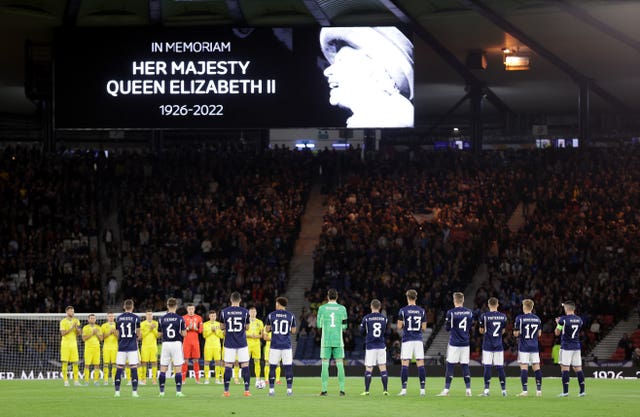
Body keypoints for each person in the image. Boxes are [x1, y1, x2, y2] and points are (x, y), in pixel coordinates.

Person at [319, 26, 414, 128]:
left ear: (375, 70)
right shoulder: (370, 118)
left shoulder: (392, 115)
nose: (327, 72)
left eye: (341, 61)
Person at [438, 292, 474, 397]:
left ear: (454, 300)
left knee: (450, 365)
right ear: (462, 300)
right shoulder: (469, 312)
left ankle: (446, 390)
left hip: (454, 343)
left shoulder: (451, 313)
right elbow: (470, 326)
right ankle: (468, 390)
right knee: (465, 365)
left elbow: (447, 328)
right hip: (465, 343)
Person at [317, 288, 348, 396]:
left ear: (328, 296)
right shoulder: (342, 309)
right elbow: (345, 326)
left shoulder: (322, 308)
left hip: (326, 341)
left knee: (325, 364)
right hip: (338, 340)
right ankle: (342, 390)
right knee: (340, 364)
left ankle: (324, 390)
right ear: (337, 296)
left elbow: (318, 325)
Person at [220, 291, 252, 397]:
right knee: (245, 365)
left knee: (228, 366)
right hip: (242, 342)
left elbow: (221, 327)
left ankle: (226, 391)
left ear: (230, 300)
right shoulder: (245, 312)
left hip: (229, 342)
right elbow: (247, 327)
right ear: (240, 300)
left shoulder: (224, 312)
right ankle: (247, 391)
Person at [264, 296, 297, 396]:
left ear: (278, 304)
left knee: (272, 367)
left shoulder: (271, 315)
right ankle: (289, 390)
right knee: (288, 368)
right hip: (286, 345)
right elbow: (293, 331)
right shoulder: (291, 316)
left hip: (275, 345)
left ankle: (271, 390)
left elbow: (267, 329)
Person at [397, 290, 426, 396]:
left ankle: (404, 389)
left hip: (407, 339)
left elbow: (399, 327)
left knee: (405, 363)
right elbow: (424, 328)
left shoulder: (403, 311)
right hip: (418, 339)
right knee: (420, 363)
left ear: (407, 298)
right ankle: (422, 389)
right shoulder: (421, 311)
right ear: (416, 298)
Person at [478, 297, 507, 397]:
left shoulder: (484, 316)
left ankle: (486, 390)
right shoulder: (503, 316)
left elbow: (481, 331)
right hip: (498, 345)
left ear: (489, 305)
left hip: (487, 345)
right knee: (500, 368)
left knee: (487, 367)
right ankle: (504, 391)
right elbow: (503, 331)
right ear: (497, 304)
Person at [555, 300, 585, 397]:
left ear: (567, 308)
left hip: (566, 347)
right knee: (578, 368)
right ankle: (582, 391)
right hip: (576, 346)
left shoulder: (562, 320)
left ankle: (565, 392)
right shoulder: (579, 320)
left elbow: (557, 332)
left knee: (565, 368)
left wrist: (557, 323)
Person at [158, 297, 187, 397]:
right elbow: (184, 334)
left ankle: (161, 392)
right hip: (176, 344)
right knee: (178, 368)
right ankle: (178, 392)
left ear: (167, 306)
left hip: (166, 344)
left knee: (163, 368)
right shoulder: (180, 319)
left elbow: (159, 334)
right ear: (176, 306)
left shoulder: (161, 319)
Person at [359, 299, 389, 396]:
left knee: (369, 368)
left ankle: (367, 391)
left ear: (371, 306)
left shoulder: (366, 318)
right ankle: (385, 390)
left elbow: (361, 331)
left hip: (370, 346)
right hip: (381, 345)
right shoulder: (384, 319)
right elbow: (387, 332)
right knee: (383, 367)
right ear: (379, 307)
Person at [514, 299, 543, 397]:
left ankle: (525, 391)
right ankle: (539, 390)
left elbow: (516, 333)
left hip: (524, 347)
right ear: (532, 307)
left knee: (524, 367)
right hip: (534, 346)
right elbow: (539, 334)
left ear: (524, 307)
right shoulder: (537, 319)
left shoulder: (520, 318)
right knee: (536, 367)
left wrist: (517, 332)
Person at [114, 299, 141, 398]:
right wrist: (137, 338)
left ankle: (117, 392)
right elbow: (138, 333)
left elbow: (117, 333)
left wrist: (121, 339)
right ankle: (134, 392)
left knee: (119, 369)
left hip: (121, 347)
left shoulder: (119, 318)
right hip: (132, 346)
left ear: (124, 307)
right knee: (134, 368)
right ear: (132, 307)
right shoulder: (136, 318)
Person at [59, 305, 82, 386]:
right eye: (71, 311)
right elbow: (63, 333)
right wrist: (71, 328)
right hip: (65, 345)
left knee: (75, 363)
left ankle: (76, 381)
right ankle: (66, 381)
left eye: (73, 311)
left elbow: (79, 333)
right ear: (67, 312)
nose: (73, 312)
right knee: (65, 363)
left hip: (74, 345)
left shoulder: (76, 321)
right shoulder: (63, 322)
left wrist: (76, 328)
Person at [182, 303, 203, 383]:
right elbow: (180, 331)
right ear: (187, 309)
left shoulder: (199, 318)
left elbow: (201, 331)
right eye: (189, 309)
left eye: (192, 309)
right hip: (186, 341)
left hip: (195, 342)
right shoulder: (183, 318)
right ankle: (183, 379)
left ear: (194, 309)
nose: (191, 311)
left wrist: (196, 328)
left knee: (196, 360)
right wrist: (187, 328)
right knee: (185, 360)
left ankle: (197, 379)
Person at [203, 310, 224, 385]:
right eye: (211, 316)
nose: (213, 317)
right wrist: (211, 331)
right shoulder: (205, 324)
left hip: (217, 346)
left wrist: (216, 331)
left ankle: (217, 379)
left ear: (216, 316)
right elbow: (204, 335)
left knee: (218, 362)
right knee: (206, 362)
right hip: (208, 346)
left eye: (214, 316)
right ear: (209, 316)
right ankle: (206, 379)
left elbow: (222, 336)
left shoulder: (219, 324)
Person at [82, 313, 103, 386]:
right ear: (88, 319)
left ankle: (96, 381)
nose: (93, 319)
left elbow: (101, 339)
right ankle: (86, 381)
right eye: (91, 318)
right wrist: (92, 333)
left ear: (95, 319)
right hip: (88, 349)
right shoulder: (85, 328)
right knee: (87, 365)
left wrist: (96, 333)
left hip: (96, 348)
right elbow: (84, 339)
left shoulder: (98, 327)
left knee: (97, 365)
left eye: (94, 318)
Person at [247, 306, 265, 387]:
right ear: (249, 313)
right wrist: (250, 335)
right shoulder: (245, 322)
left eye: (254, 312)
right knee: (246, 362)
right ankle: (246, 378)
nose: (253, 313)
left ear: (256, 313)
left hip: (256, 344)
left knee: (257, 361)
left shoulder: (260, 322)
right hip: (247, 344)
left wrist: (256, 336)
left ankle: (257, 379)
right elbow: (242, 333)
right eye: (251, 312)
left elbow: (262, 335)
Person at [140, 310, 159, 385]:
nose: (149, 316)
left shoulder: (156, 323)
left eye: (151, 314)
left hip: (153, 346)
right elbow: (141, 336)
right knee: (144, 363)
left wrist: (153, 329)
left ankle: (154, 379)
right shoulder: (142, 324)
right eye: (148, 314)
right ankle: (144, 379)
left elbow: (158, 335)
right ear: (145, 315)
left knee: (154, 362)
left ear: (152, 315)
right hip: (145, 346)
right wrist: (150, 329)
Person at [101, 311, 118, 385]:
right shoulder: (103, 326)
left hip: (115, 347)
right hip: (106, 347)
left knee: (114, 364)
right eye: (109, 316)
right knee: (106, 364)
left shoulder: (117, 325)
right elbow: (101, 338)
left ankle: (114, 379)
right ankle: (105, 380)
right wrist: (109, 332)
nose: (111, 318)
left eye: (112, 316)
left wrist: (115, 332)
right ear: (107, 317)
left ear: (114, 317)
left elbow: (119, 337)